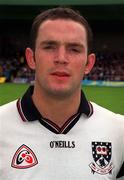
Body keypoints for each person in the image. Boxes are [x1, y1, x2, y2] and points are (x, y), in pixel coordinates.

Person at [0, 7, 124, 180]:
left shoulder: (119, 131)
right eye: (49, 46)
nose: (61, 58)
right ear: (31, 58)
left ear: (89, 63)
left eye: (74, 49)